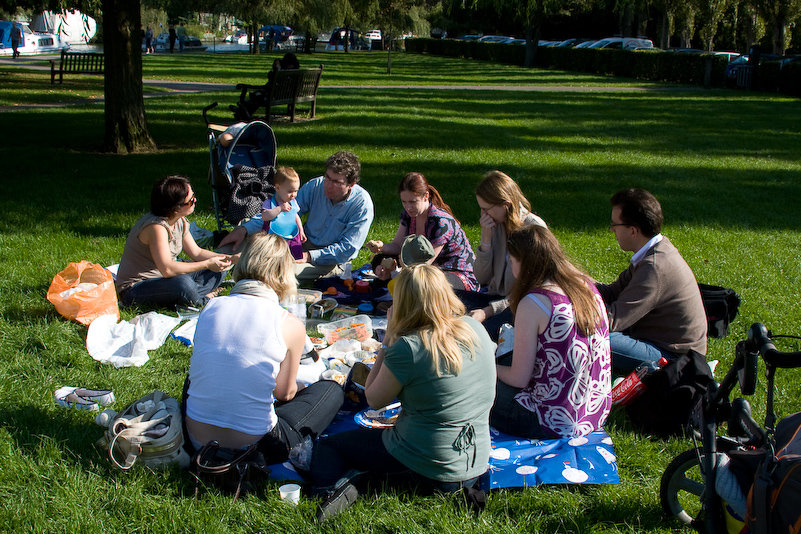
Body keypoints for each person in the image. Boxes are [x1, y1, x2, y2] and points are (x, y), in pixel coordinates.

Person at [309, 264, 497, 522]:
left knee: (329, 446)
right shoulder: (473, 327)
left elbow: (373, 399)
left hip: (431, 465)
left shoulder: (408, 347)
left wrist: (388, 339)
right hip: (475, 464)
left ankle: (328, 494)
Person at [183, 233, 344, 463]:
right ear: (283, 272)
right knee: (331, 390)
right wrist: (302, 386)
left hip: (196, 440)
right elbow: (284, 394)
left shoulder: (211, 307)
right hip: (258, 447)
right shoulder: (289, 323)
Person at [491, 224, 611, 440]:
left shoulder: (535, 302)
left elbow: (519, 378)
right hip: (593, 412)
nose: (511, 267)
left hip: (549, 421)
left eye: (512, 261)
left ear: (525, 263)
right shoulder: (585, 285)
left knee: (473, 381)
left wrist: (484, 366)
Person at [596, 188, 707, 374]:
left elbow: (610, 320)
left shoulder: (654, 268)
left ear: (633, 231)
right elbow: (613, 292)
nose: (612, 229)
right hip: (657, 339)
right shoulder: (654, 250)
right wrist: (575, 282)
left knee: (593, 338)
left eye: (615, 224)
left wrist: (564, 314)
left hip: (674, 358)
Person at [218, 151, 374, 282]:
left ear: (351, 184)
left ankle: (243, 270)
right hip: (299, 243)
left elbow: (347, 249)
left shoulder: (362, 204)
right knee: (237, 242)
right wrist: (245, 229)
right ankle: (213, 264)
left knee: (277, 273)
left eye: (336, 182)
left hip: (330, 259)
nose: (328, 184)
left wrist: (309, 256)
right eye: (327, 177)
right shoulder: (316, 186)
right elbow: (281, 211)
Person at [455, 170, 547, 341]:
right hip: (494, 298)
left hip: (520, 305)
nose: (483, 215)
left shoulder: (533, 230)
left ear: (505, 205)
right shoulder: (495, 226)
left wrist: (488, 311)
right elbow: (481, 277)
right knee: (446, 299)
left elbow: (531, 288)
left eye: (486, 209)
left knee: (479, 332)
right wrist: (486, 239)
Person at [115, 175, 232, 308]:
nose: (195, 201)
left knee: (220, 268)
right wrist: (207, 264)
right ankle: (201, 299)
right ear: (175, 209)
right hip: (137, 288)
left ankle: (188, 296)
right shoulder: (156, 228)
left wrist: (230, 258)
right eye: (191, 201)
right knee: (183, 283)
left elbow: (196, 252)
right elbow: (167, 269)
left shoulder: (179, 220)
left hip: (165, 279)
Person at [366, 172, 477, 291]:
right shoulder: (408, 215)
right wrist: (382, 247)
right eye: (404, 202)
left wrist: (398, 271)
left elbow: (425, 264)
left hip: (455, 274)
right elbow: (398, 246)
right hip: (427, 269)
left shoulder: (440, 223)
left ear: (426, 196)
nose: (408, 207)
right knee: (380, 261)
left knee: (422, 284)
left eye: (413, 202)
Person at [230, 52, 300, 121]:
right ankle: (241, 112)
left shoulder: (281, 74)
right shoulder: (296, 73)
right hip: (285, 96)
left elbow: (271, 85)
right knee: (257, 97)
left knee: (257, 97)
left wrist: (277, 69)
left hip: (273, 96)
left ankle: (241, 111)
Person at [261, 167, 306, 260]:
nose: (293, 194)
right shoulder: (269, 203)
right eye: (290, 191)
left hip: (291, 234)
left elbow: (295, 216)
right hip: (274, 236)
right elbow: (265, 216)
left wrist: (301, 230)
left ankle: (293, 267)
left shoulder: (293, 202)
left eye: (296, 191)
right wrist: (279, 209)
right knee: (273, 257)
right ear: (277, 188)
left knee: (294, 255)